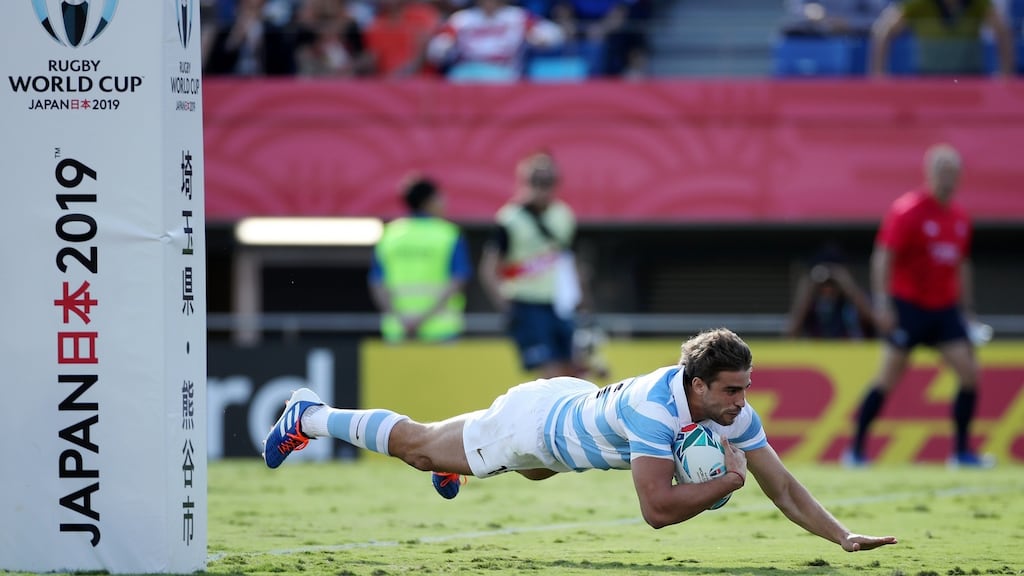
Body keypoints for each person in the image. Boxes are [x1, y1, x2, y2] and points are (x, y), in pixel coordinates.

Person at [262, 328, 899, 553]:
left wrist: (842, 536)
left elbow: (783, 486)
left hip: (564, 417)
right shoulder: (657, 411)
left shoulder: (730, 411)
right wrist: (728, 480)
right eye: (732, 390)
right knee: (420, 444)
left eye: (746, 388)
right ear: (698, 385)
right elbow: (656, 511)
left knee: (531, 470)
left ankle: (463, 461)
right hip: (536, 428)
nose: (743, 401)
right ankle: (310, 415)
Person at [845, 144, 992, 468]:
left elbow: (961, 265)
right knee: (887, 379)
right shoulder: (907, 211)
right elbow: (883, 256)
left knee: (969, 374)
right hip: (908, 307)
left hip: (944, 309)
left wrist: (966, 309)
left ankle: (961, 453)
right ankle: (855, 450)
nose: (947, 178)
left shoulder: (959, 217)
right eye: (942, 171)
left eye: (952, 172)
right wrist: (883, 303)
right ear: (929, 173)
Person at [479, 151, 584, 379]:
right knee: (549, 375)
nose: (542, 189)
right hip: (527, 304)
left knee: (574, 373)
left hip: (560, 304)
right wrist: (506, 305)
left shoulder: (564, 215)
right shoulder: (509, 219)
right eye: (536, 181)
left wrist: (579, 298)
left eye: (548, 182)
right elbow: (489, 268)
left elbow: (569, 260)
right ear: (524, 182)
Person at [368, 176, 472, 343]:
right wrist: (422, 320)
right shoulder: (449, 234)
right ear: (428, 201)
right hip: (441, 331)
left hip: (399, 332)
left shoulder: (389, 235)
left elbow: (377, 284)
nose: (444, 202)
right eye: (439, 197)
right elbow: (458, 280)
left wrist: (402, 320)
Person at [425, 0, 566, 80]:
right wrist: (443, 46)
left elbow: (555, 34)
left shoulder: (517, 17)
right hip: (467, 73)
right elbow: (436, 50)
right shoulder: (462, 19)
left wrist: (541, 38)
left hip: (504, 73)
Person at [869, 0, 1015, 76]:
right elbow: (883, 30)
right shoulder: (917, 3)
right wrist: (879, 75)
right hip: (928, 79)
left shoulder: (979, 3)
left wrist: (1005, 74)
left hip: (970, 78)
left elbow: (1002, 29)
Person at [785, 243, 876, 340]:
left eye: (832, 283)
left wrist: (848, 285)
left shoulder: (854, 301)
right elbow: (790, 336)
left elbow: (877, 323)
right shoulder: (811, 305)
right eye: (823, 284)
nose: (828, 289)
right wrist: (806, 290)